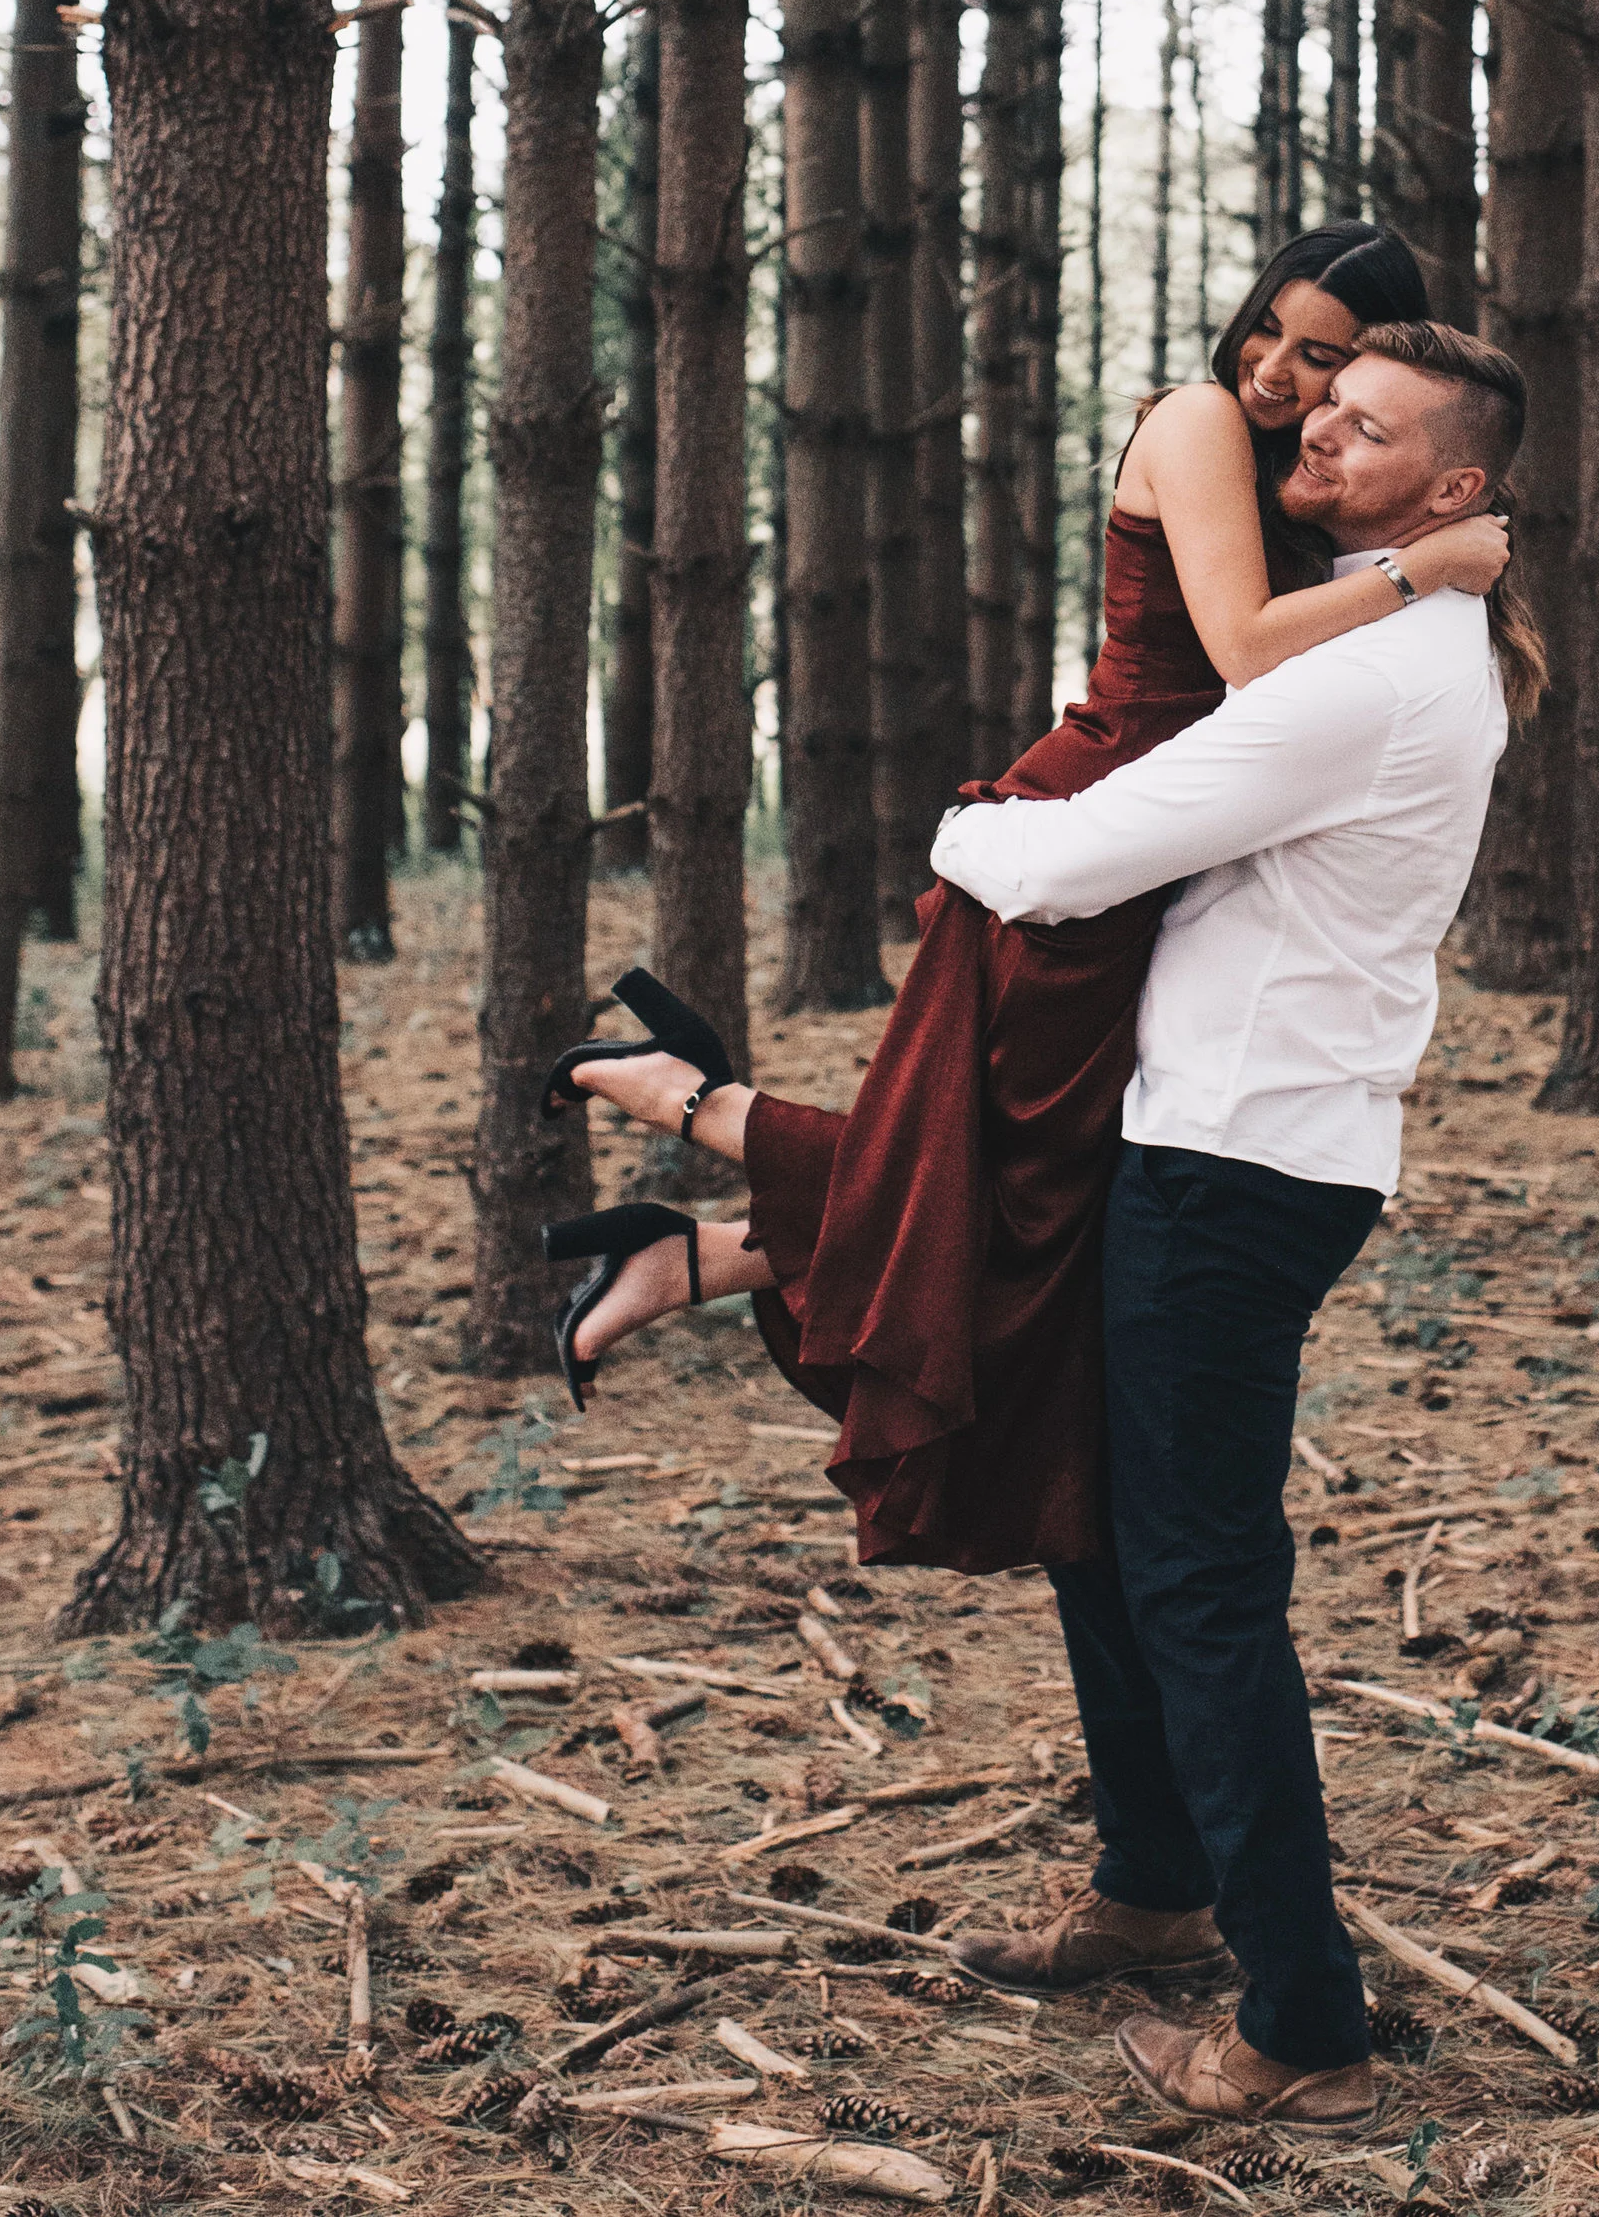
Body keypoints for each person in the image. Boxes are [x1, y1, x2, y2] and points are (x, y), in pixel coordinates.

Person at [561, 318, 1542, 2140]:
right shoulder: (1404, 645)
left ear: (1458, 489)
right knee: (1112, 1535)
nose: (1322, 425)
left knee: (1195, 1579)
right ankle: (1155, 1884)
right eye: (1322, 402)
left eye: (1372, 422)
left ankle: (1305, 2024)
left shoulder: (1373, 674)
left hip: (1235, 1171)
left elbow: (1062, 860)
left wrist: (967, 818)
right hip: (1227, 1145)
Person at [540, 226, 1507, 1579]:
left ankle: (704, 1244)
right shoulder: (1197, 422)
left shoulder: (1302, 486)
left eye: (1328, 362)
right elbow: (1235, 650)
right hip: (1094, 822)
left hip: (1167, 837)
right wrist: (1431, 565)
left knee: (1033, 1177)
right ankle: (688, 1119)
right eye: (1272, 334)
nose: (1281, 373)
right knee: (1025, 1171)